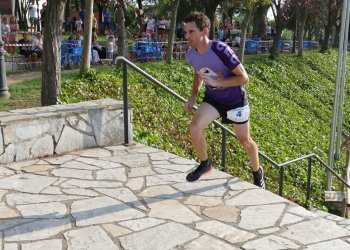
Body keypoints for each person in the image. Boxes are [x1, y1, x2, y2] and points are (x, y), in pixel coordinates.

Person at [183, 12, 265, 189]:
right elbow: (198, 75)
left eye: (191, 32)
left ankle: (257, 172)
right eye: (186, 32)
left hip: (235, 101)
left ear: (204, 31)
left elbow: (244, 78)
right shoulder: (191, 55)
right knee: (195, 127)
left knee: (244, 141)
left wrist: (219, 82)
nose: (186, 36)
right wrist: (193, 96)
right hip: (213, 99)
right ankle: (205, 163)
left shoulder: (221, 50)